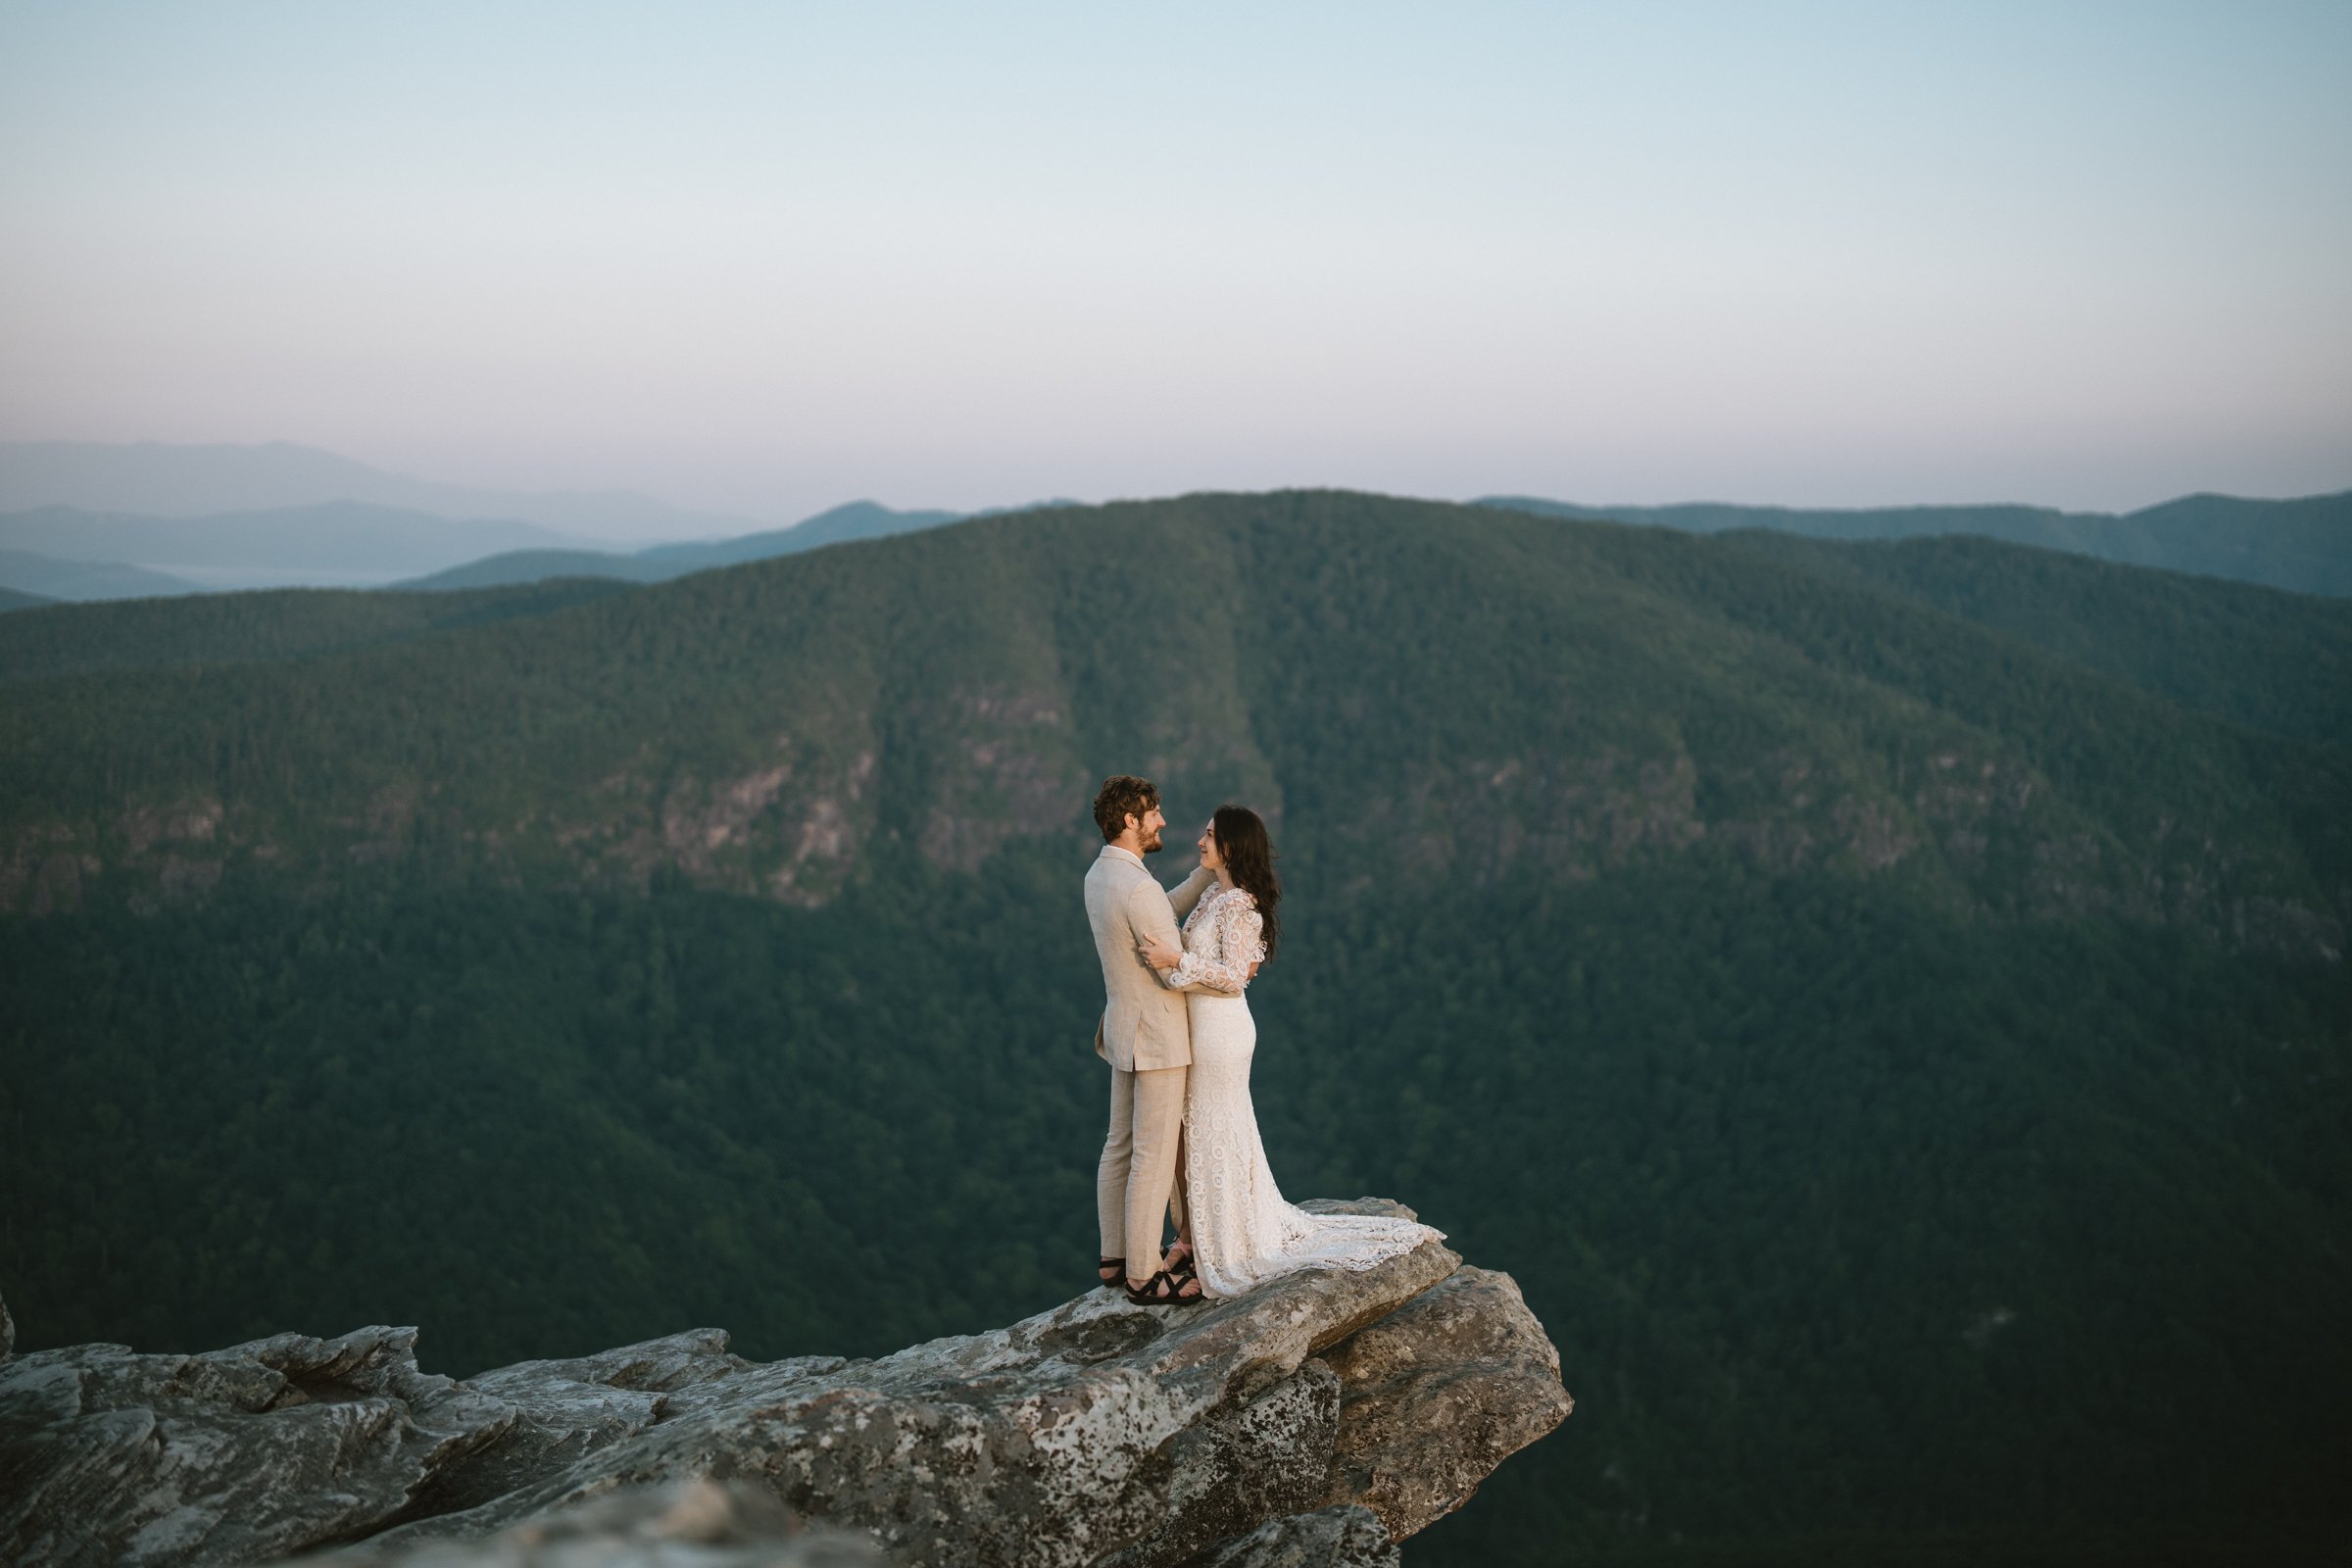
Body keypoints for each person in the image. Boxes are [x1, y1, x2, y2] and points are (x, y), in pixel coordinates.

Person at [1141, 805, 1442, 1299]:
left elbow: (1236, 977)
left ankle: (1223, 1247)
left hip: (1221, 1034)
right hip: (1201, 1027)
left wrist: (1177, 959)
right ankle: (1197, 1236)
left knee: (1213, 1132)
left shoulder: (1240, 905)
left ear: (1232, 847)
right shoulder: (1216, 893)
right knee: (1197, 1130)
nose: (1200, 841)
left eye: (1210, 836)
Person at [1085, 775, 1217, 1305]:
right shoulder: (1136, 888)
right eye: (1153, 812)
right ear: (1130, 821)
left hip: (1123, 1029)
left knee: (1118, 1147)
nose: (1162, 820)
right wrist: (1226, 974)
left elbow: (1157, 906)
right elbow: (1171, 972)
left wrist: (1202, 877)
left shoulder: (1101, 874)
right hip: (1158, 1036)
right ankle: (1144, 1273)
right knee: (1154, 1157)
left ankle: (1113, 1258)